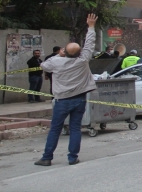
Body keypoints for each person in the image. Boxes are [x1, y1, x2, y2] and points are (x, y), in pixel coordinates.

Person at [34, 14, 98, 166]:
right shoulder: (83, 60)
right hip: (79, 98)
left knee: (55, 129)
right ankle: (72, 157)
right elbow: (90, 44)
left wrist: (58, 55)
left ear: (64, 52)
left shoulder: (56, 62)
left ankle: (47, 157)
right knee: (75, 128)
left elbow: (44, 65)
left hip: (62, 100)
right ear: (79, 53)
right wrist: (91, 27)